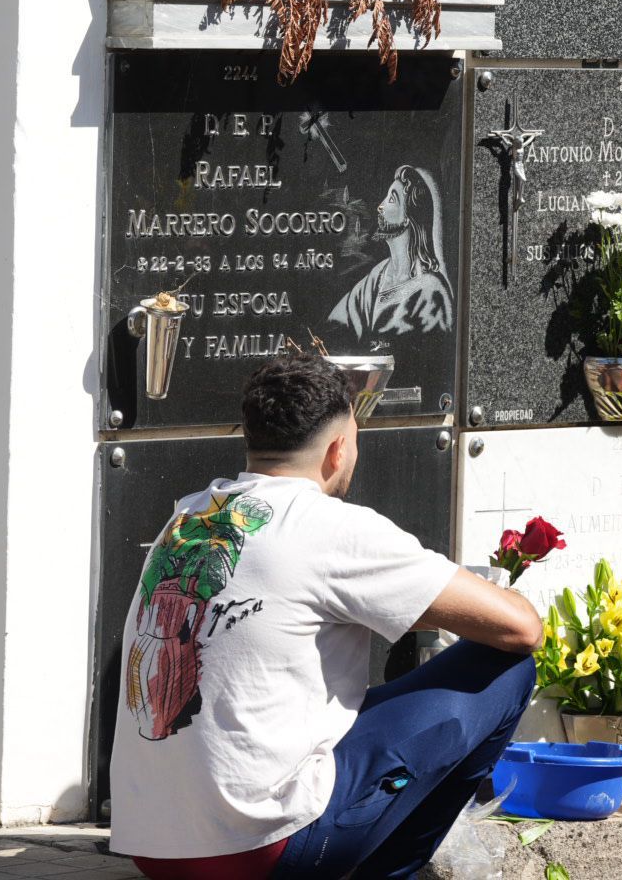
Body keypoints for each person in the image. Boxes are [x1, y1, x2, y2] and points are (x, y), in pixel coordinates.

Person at [109, 354, 542, 880]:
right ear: (340, 448)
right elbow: (520, 628)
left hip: (156, 849)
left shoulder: (189, 514)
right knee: (505, 667)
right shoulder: (331, 527)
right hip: (262, 852)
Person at [329, 165, 455, 340]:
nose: (380, 207)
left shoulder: (431, 291)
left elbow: (429, 352)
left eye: (392, 199)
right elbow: (335, 324)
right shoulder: (377, 276)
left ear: (408, 218)